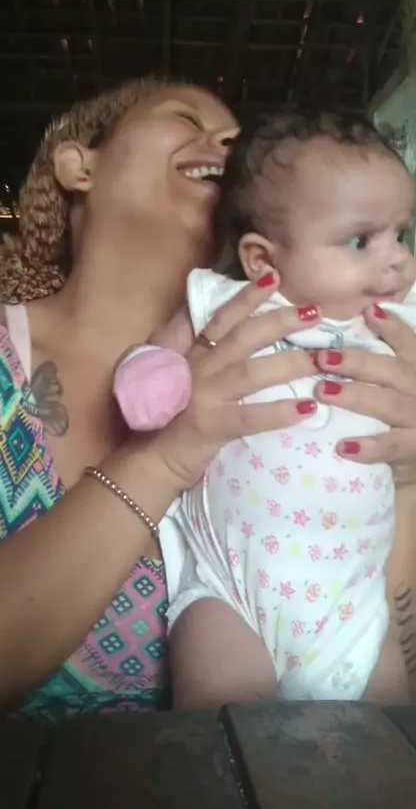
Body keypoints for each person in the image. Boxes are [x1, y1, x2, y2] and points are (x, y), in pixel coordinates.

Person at [0, 80, 416, 721]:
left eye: (238, 137)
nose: (229, 139)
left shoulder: (346, 353)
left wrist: (403, 478)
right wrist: (162, 458)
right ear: (80, 165)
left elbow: (377, 685)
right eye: (186, 118)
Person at [113, 110, 416, 707]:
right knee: (222, 722)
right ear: (262, 261)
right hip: (231, 593)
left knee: (384, 742)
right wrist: (153, 380)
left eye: (401, 234)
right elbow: (156, 353)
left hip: (356, 605)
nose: (396, 260)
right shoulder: (227, 304)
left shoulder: (401, 321)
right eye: (361, 240)